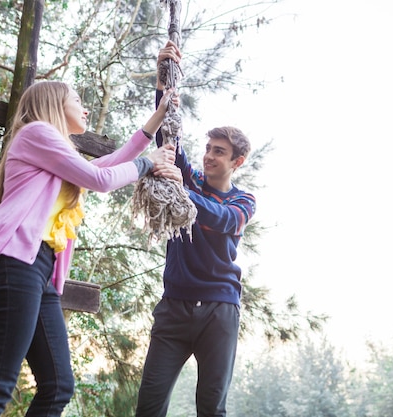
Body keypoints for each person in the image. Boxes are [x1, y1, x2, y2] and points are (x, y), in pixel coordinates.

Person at [0, 80, 180, 417]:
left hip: (39, 273)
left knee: (58, 386)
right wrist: (147, 164)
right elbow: (101, 180)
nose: (86, 107)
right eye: (78, 100)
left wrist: (157, 117)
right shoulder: (37, 133)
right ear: (53, 104)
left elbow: (105, 165)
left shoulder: (54, 152)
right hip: (12, 263)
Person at [135, 41, 256, 417]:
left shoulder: (244, 202)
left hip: (219, 311)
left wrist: (182, 191)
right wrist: (163, 74)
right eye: (208, 148)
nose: (208, 155)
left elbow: (221, 221)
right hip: (173, 308)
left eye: (219, 151)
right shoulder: (195, 179)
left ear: (237, 160)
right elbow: (167, 138)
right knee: (149, 407)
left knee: (211, 409)